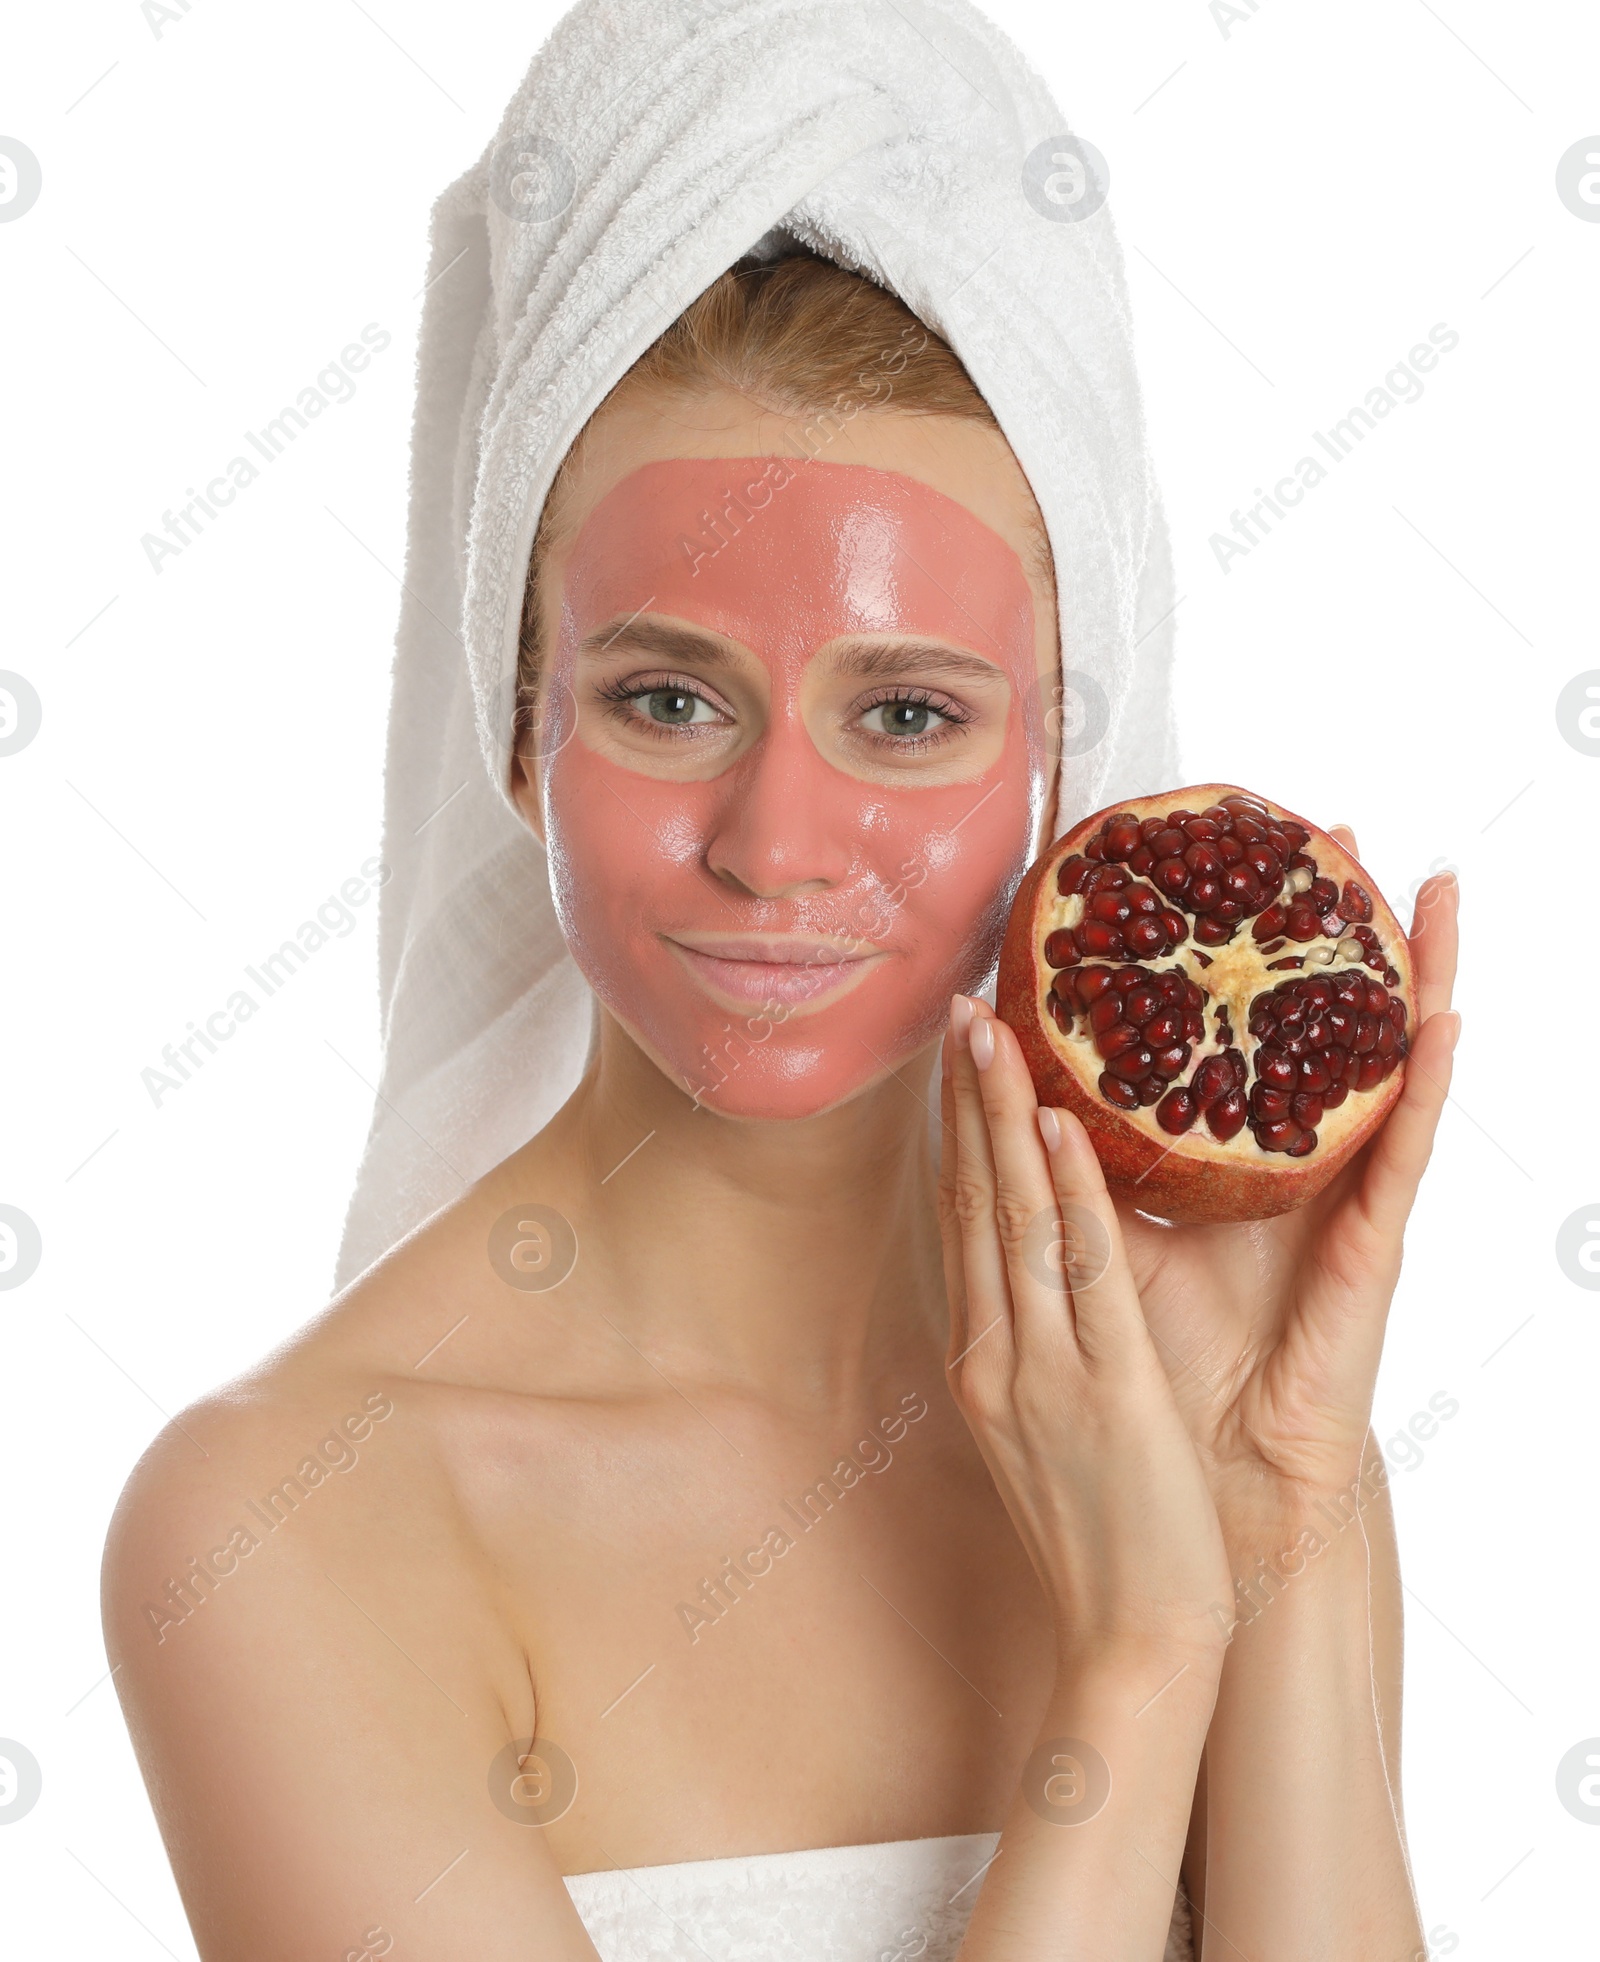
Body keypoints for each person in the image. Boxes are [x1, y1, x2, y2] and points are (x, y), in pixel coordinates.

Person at [101, 9, 1461, 1960]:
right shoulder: (279, 1530)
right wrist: (1140, 1662)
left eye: (904, 713)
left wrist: (1285, 1514)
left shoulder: (1217, 1407)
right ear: (515, 730)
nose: (775, 840)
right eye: (666, 700)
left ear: (1055, 758)